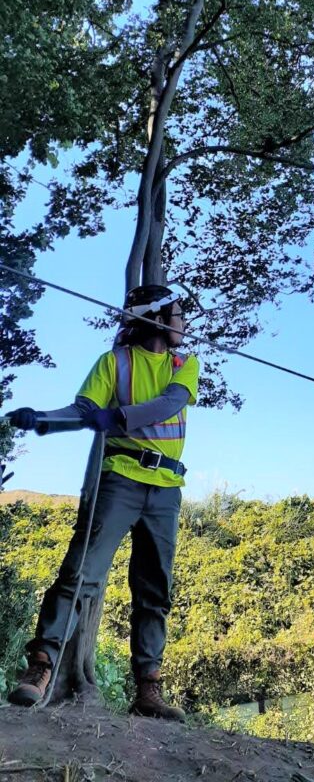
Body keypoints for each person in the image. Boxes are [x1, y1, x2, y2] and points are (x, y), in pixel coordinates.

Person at [4, 284, 199, 719]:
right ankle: (40, 668)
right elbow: (83, 410)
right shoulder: (114, 363)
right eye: (178, 314)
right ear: (157, 318)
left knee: (155, 589)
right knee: (80, 574)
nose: (184, 323)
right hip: (120, 482)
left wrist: (117, 416)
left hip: (165, 488)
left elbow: (170, 404)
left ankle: (147, 689)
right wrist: (43, 421)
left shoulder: (185, 364)